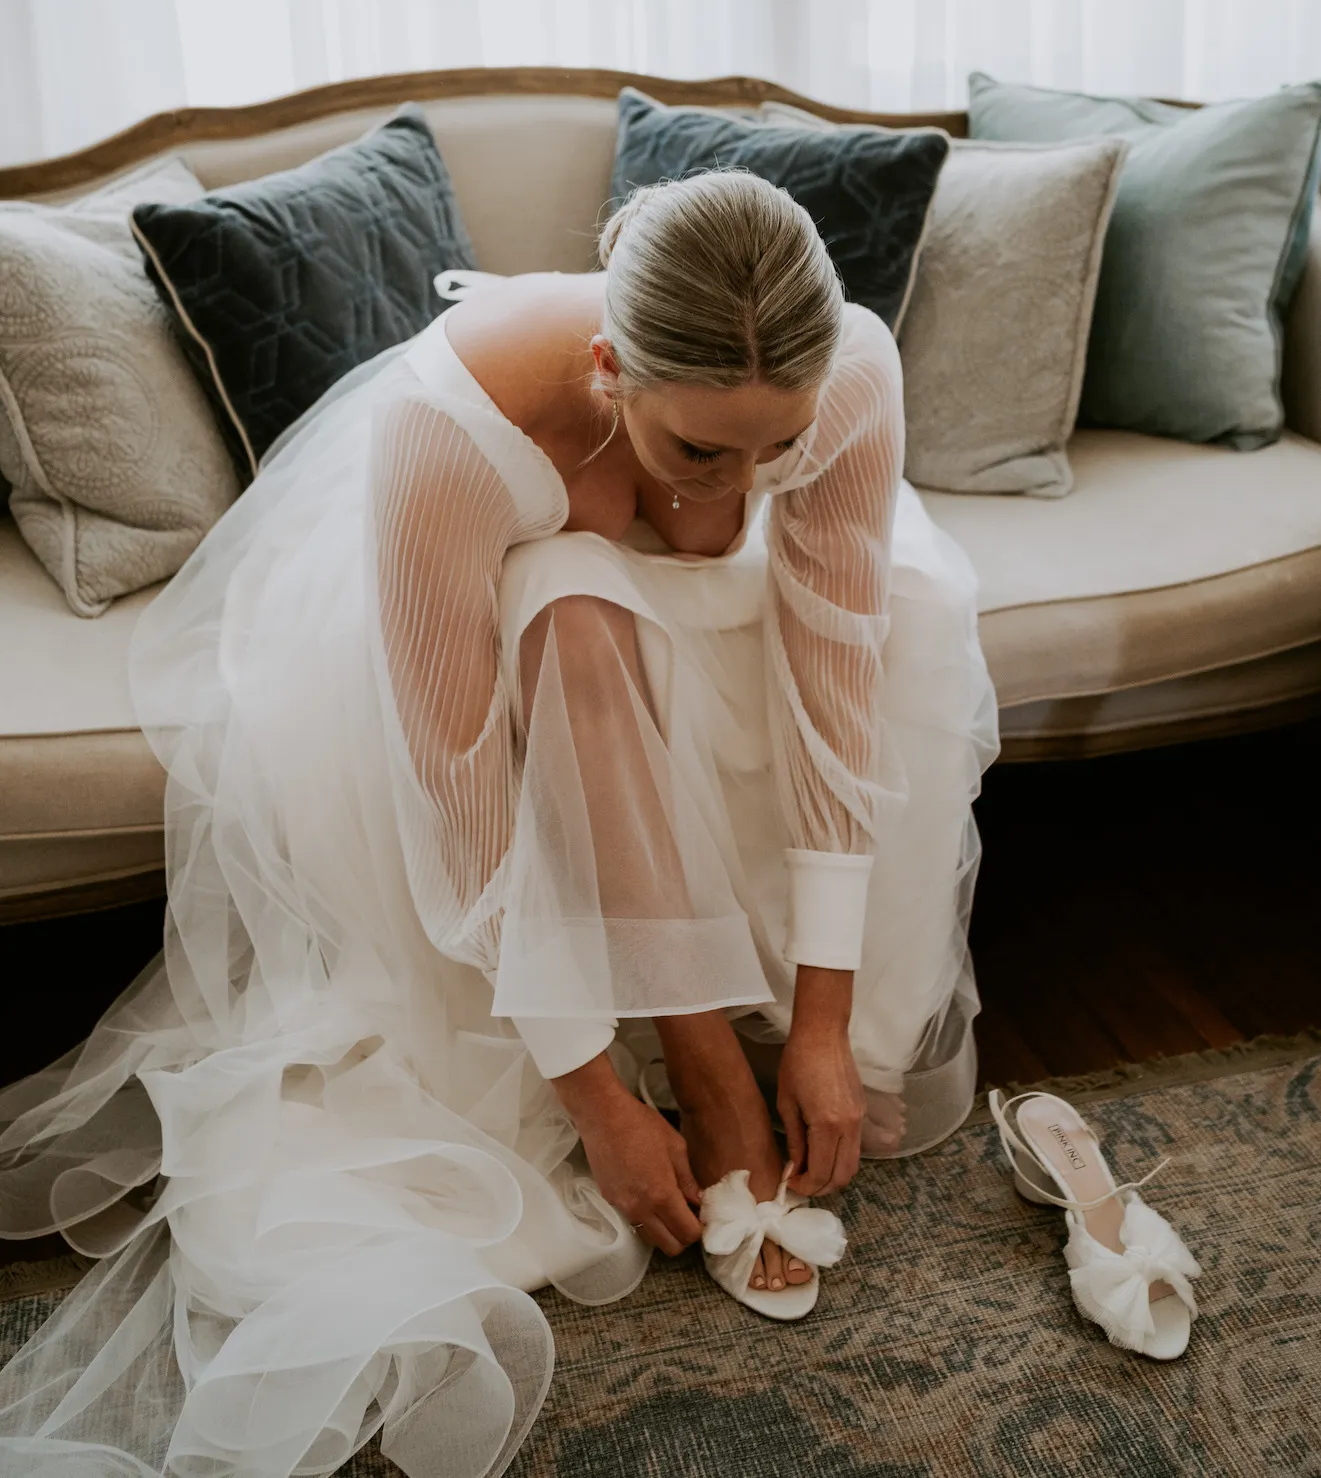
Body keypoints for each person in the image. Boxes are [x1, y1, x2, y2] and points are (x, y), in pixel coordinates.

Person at [0, 169, 996, 1475]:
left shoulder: (848, 378)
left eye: (780, 446)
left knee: (874, 638)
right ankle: (694, 1059)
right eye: (703, 450)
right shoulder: (448, 431)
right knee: (573, 600)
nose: (747, 491)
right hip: (517, 682)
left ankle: (750, 1024)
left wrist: (820, 1013)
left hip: (732, 656)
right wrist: (593, 1095)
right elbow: (455, 795)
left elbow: (829, 692)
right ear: (607, 368)